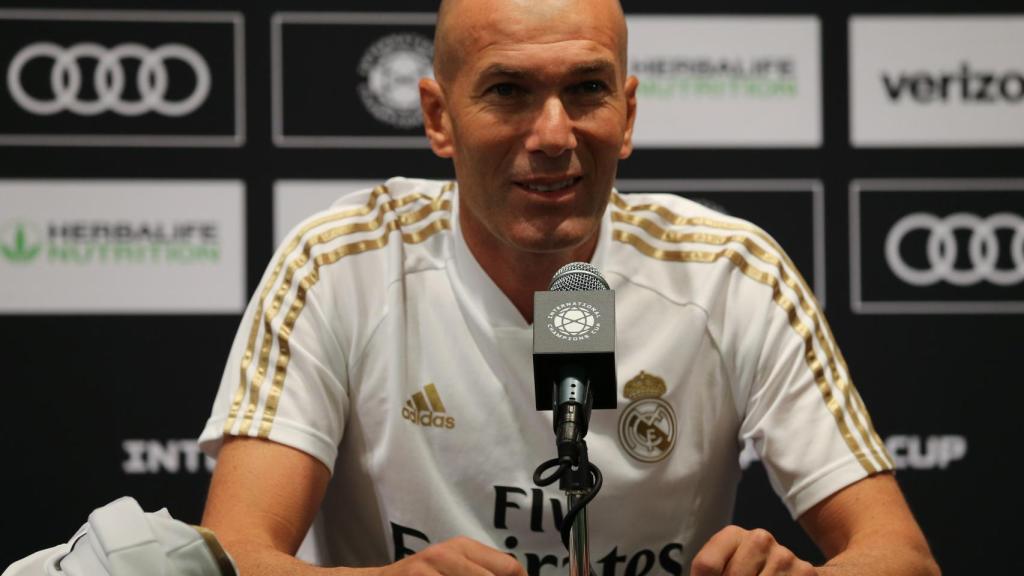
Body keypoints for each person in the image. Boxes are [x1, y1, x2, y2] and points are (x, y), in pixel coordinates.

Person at [198, 1, 940, 575]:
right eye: (509, 92)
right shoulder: (342, 263)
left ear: (628, 115)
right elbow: (229, 554)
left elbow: (901, 556)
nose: (553, 135)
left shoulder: (729, 272)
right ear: (438, 117)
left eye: (586, 89)